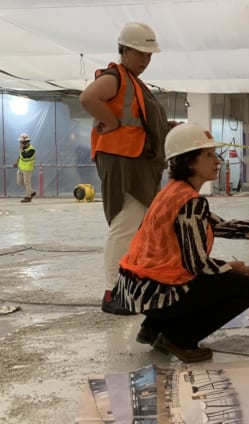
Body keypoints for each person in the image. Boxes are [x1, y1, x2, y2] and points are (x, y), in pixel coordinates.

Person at [111, 122, 249, 363]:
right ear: (189, 161)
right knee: (247, 287)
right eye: (209, 155)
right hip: (155, 292)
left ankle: (153, 328)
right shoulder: (190, 201)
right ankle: (178, 339)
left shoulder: (173, 192)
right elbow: (196, 264)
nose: (217, 161)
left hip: (137, 288)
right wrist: (230, 268)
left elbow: (217, 225)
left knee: (213, 279)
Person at [80, 22, 173, 315]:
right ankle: (113, 293)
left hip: (138, 162)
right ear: (124, 50)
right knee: (124, 226)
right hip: (124, 163)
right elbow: (88, 98)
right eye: (140, 53)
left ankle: (129, 286)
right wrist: (112, 122)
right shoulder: (116, 77)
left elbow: (140, 120)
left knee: (135, 227)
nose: (145, 60)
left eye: (149, 55)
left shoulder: (135, 82)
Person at [13, 133, 36, 203]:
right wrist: (16, 162)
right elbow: (20, 156)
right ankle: (31, 192)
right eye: (21, 142)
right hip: (21, 168)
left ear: (27, 142)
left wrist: (21, 149)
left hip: (28, 169)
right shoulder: (23, 149)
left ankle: (28, 197)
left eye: (22, 142)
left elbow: (26, 156)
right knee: (20, 182)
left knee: (27, 182)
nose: (21, 143)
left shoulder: (32, 149)